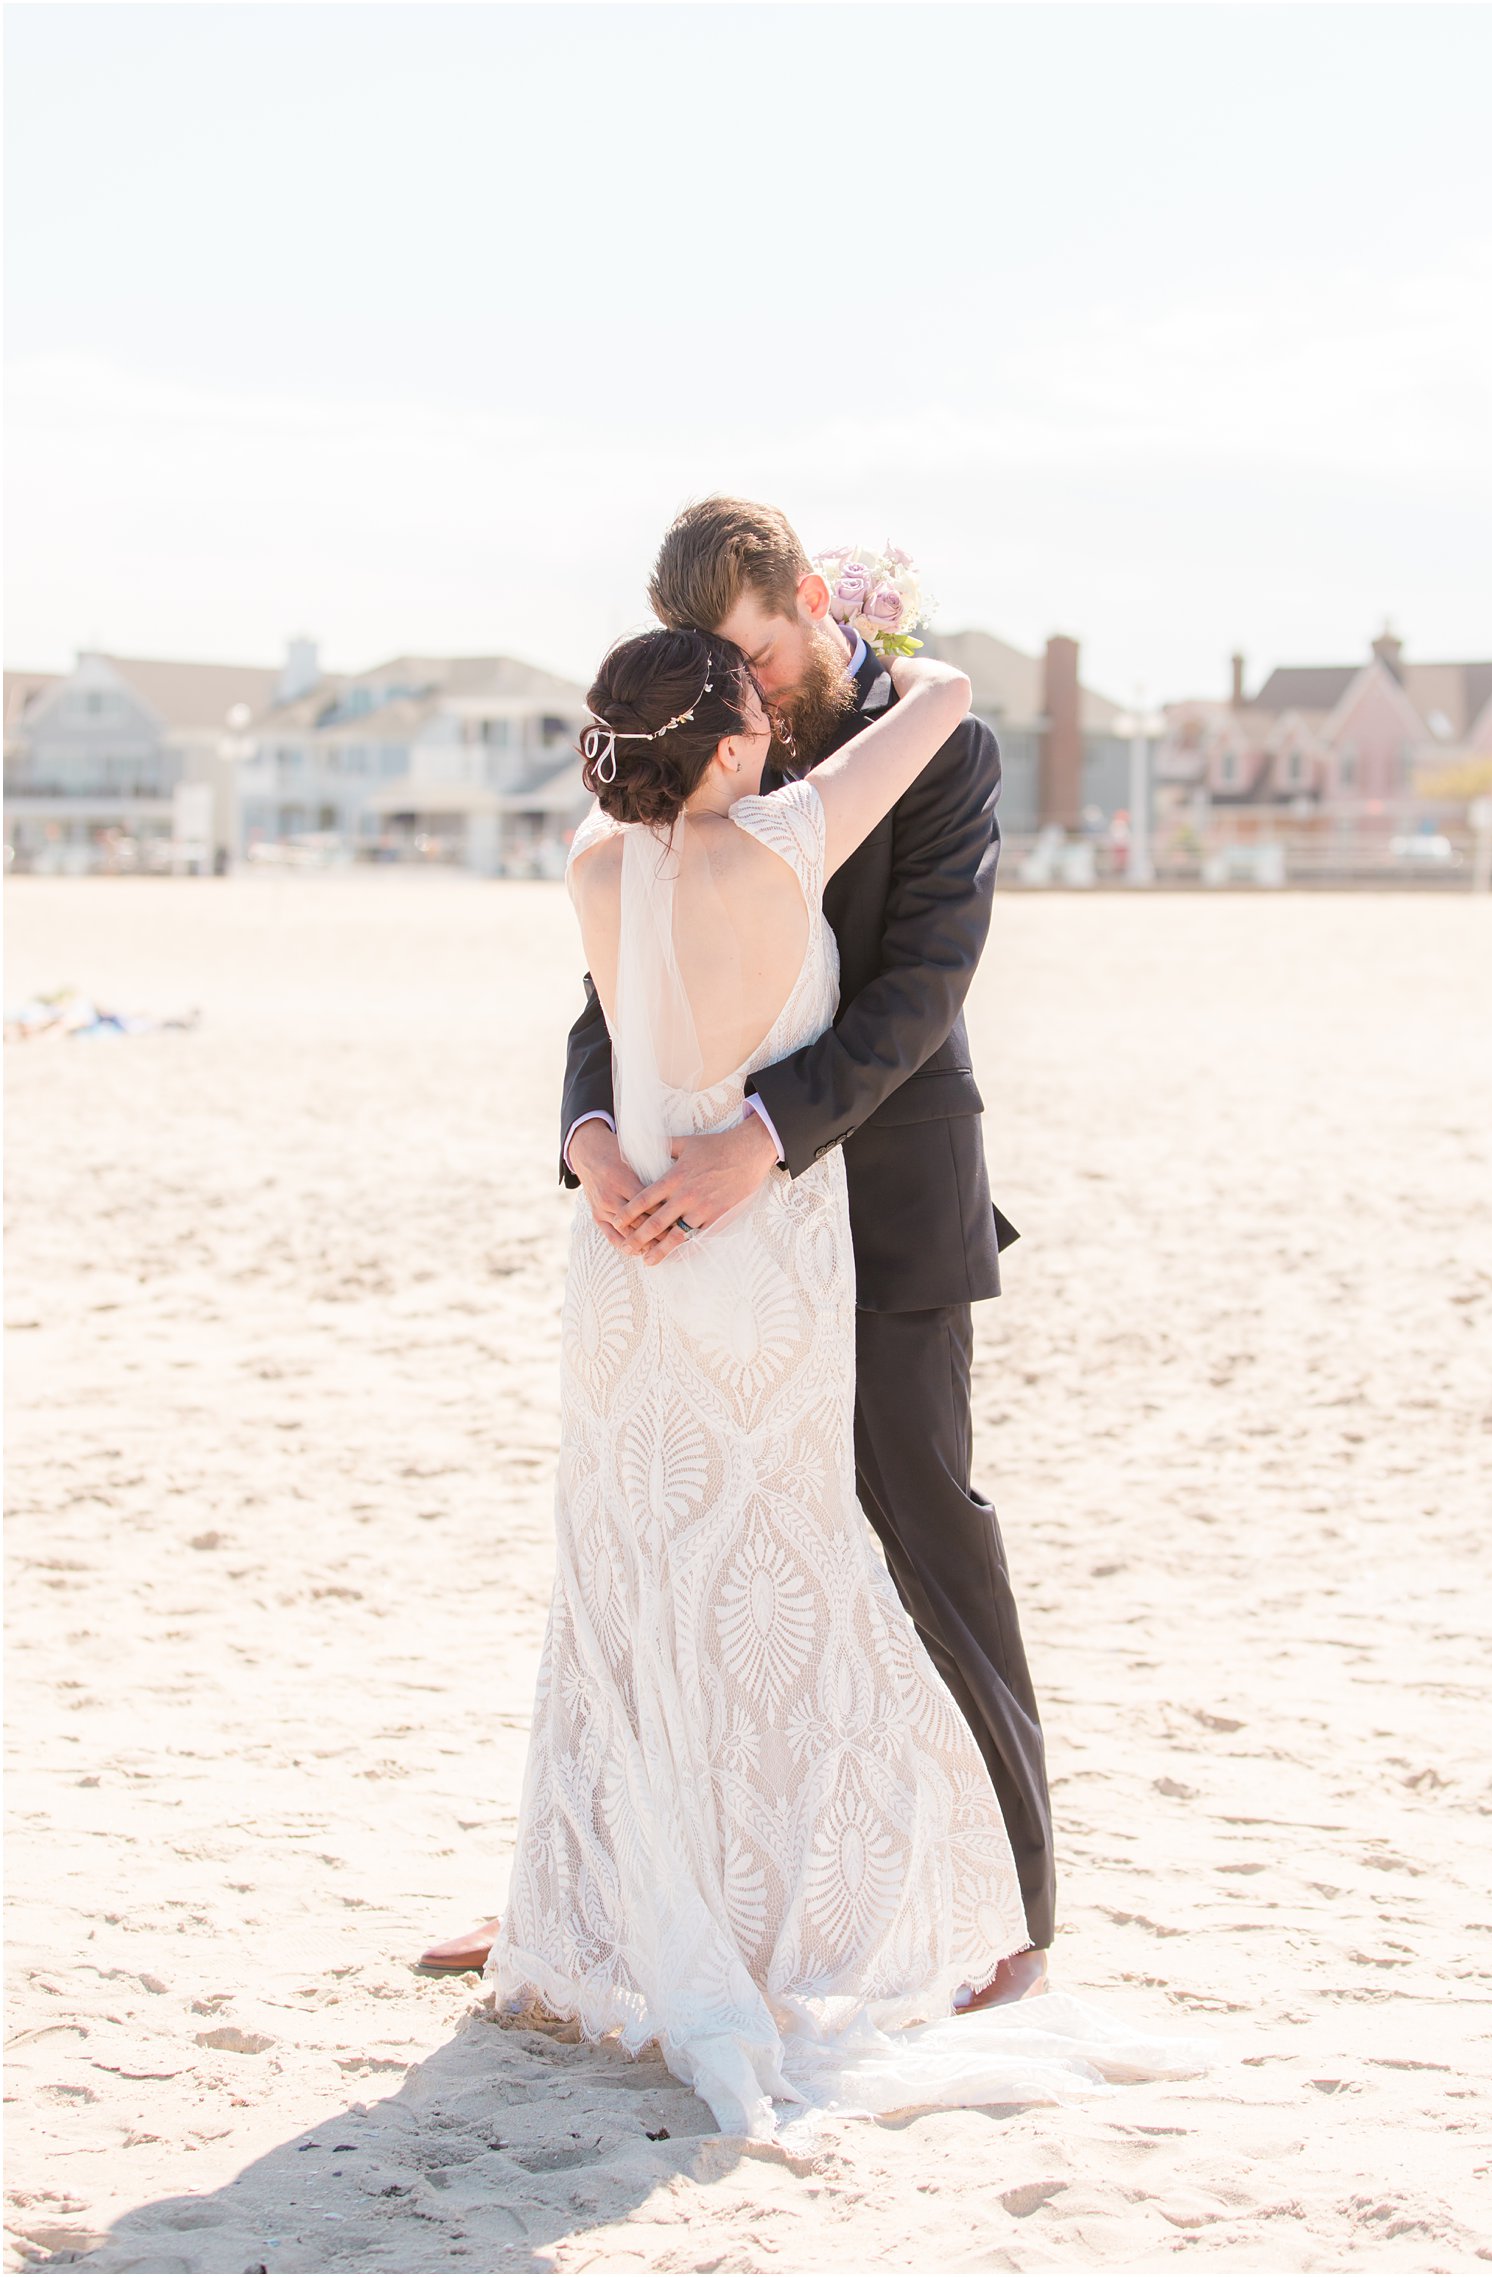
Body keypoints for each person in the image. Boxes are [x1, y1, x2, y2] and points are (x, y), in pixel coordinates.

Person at [454, 628, 1206, 2138]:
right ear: (735, 744)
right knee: (791, 1589)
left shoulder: (597, 865)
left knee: (635, 1588)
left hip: (622, 1270)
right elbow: (942, 703)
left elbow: (611, 1033)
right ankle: (807, 1920)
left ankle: (631, 1911)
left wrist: (594, 1143)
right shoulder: (787, 837)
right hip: (760, 1270)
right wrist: (869, 625)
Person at [423, 499, 1054, 1996]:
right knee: (668, 1543)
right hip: (685, 1219)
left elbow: (923, 988)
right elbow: (614, 987)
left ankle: (1015, 1909)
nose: (750, 701)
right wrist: (589, 1142)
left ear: (816, 602)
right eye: (727, 673)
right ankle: (600, 1896)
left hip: (881, 1197)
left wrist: (762, 1137)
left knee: (921, 1528)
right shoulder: (712, 757)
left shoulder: (932, 743)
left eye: (764, 660)